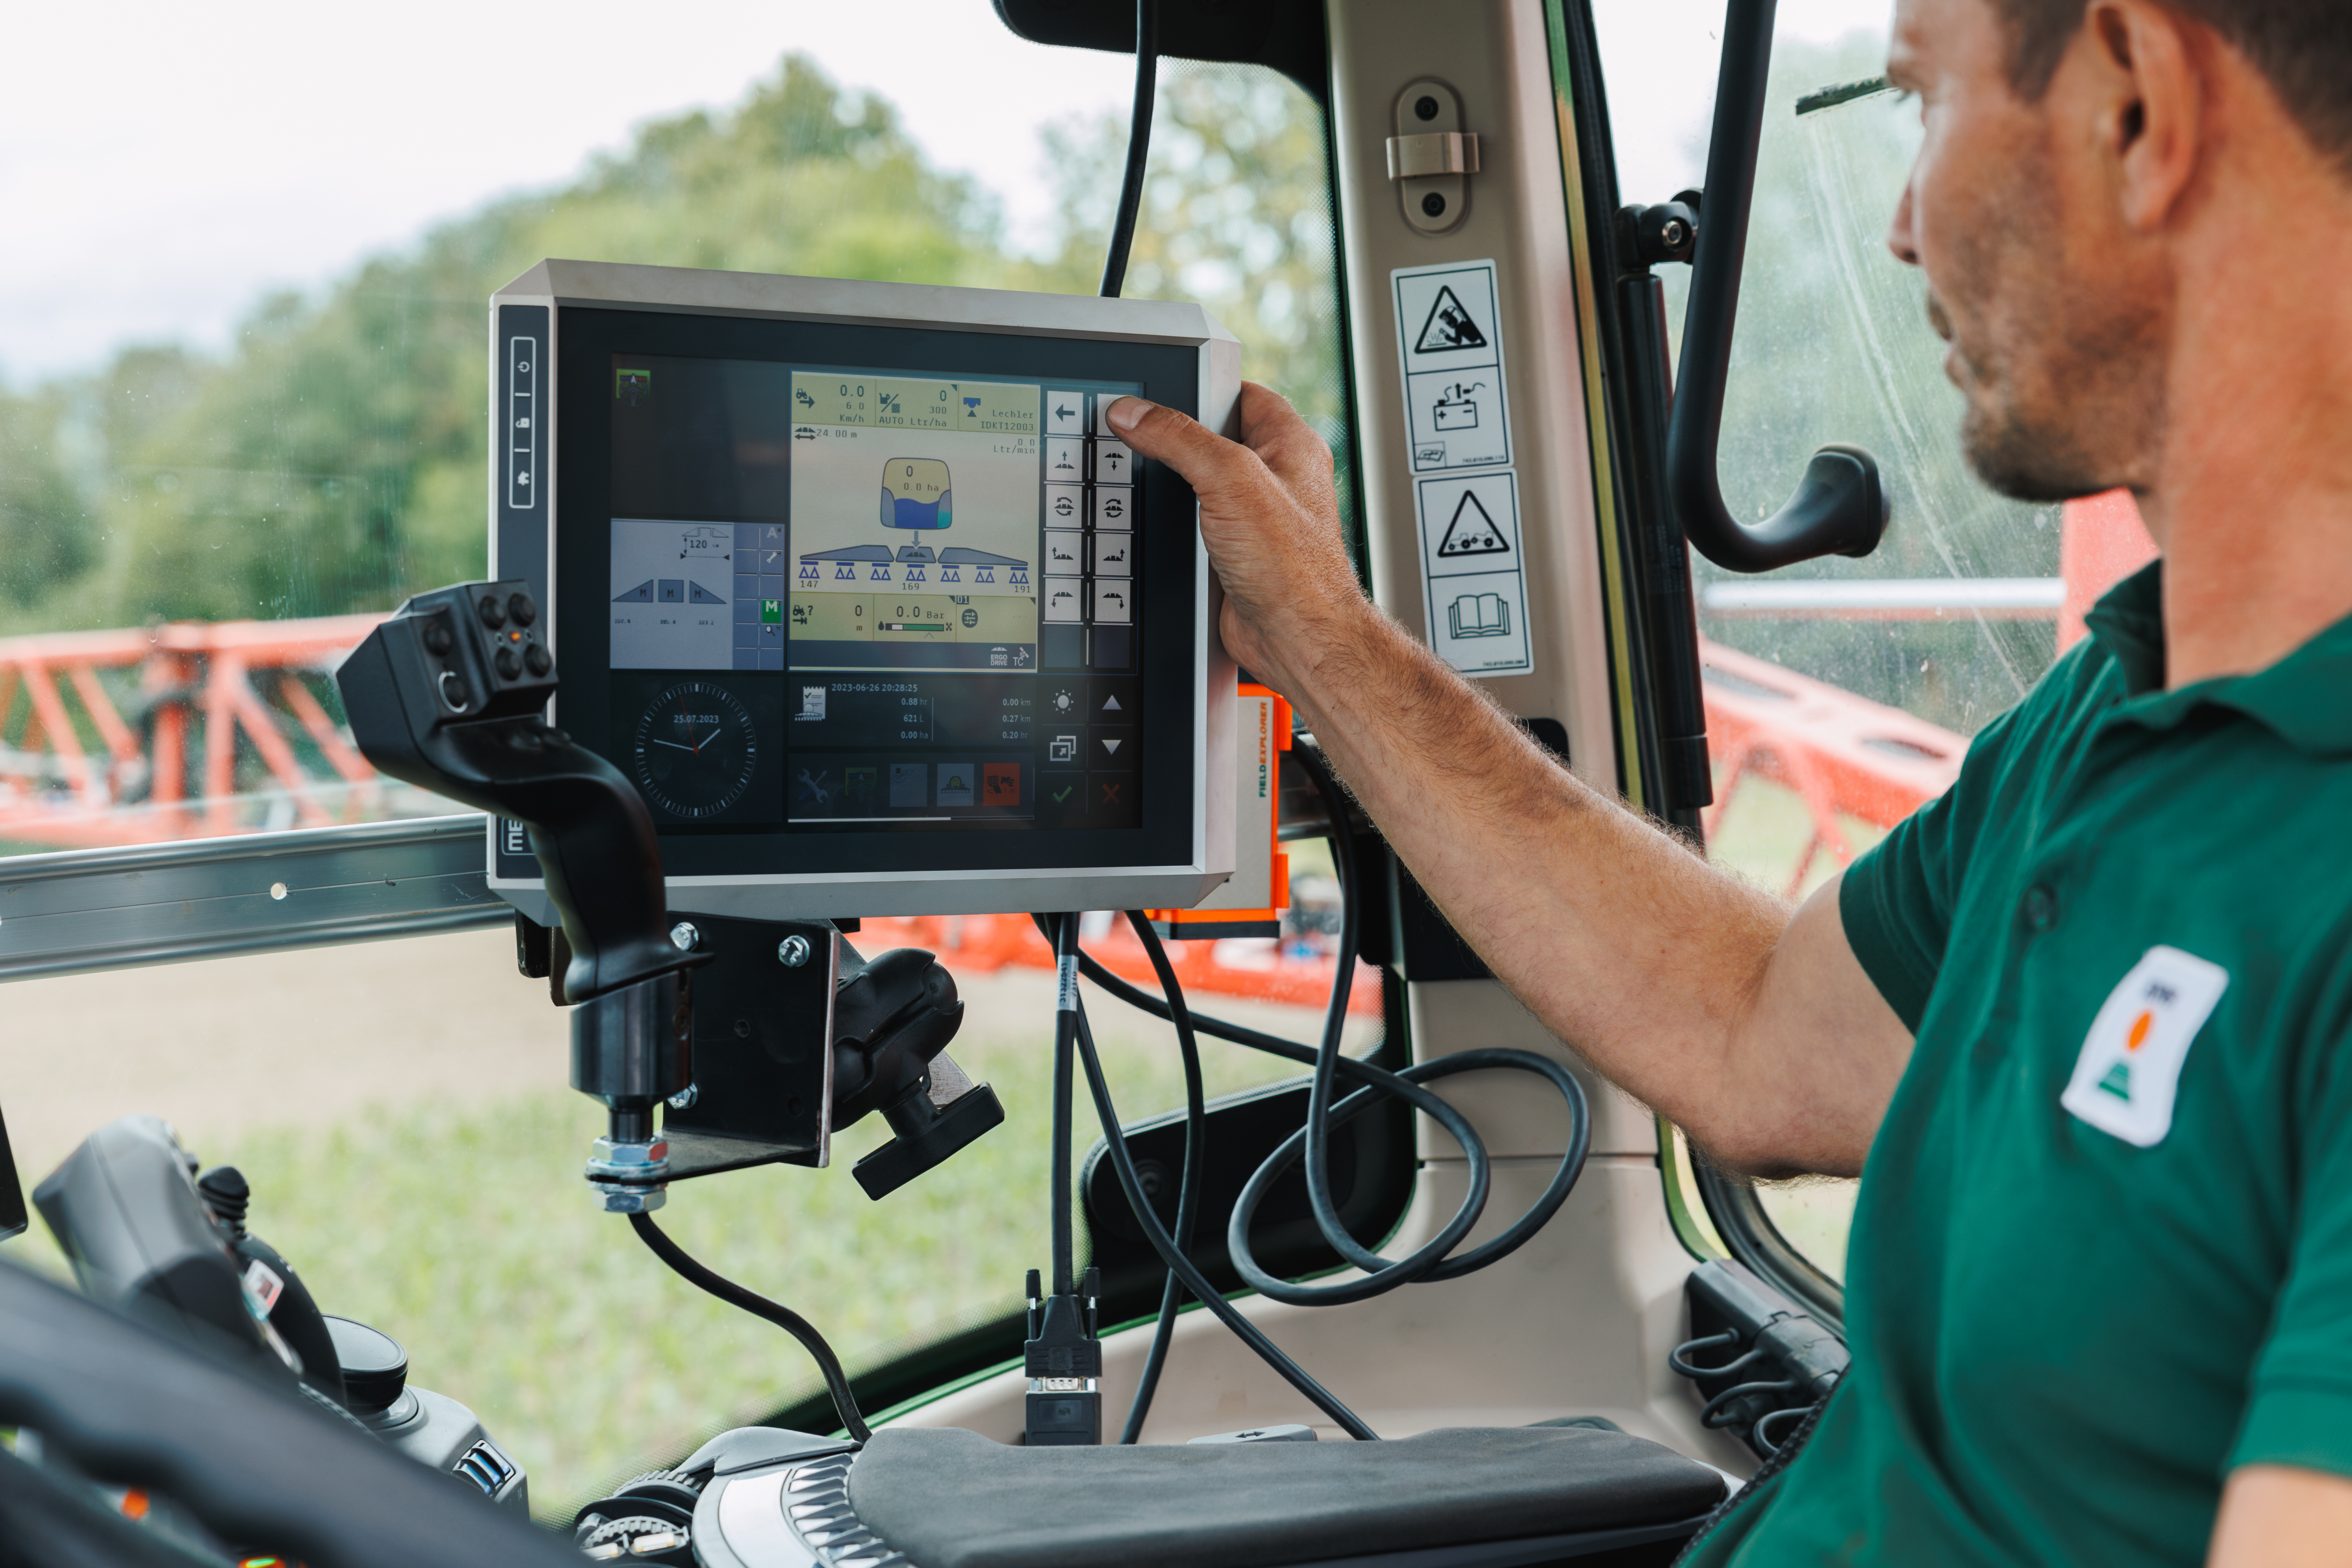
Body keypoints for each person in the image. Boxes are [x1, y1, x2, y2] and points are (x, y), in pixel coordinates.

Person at [1103, 0, 2352, 1559]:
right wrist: (1322, 640)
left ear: (2141, 109)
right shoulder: (2123, 702)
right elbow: (1755, 1027)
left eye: (1923, 102)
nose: (1901, 231)